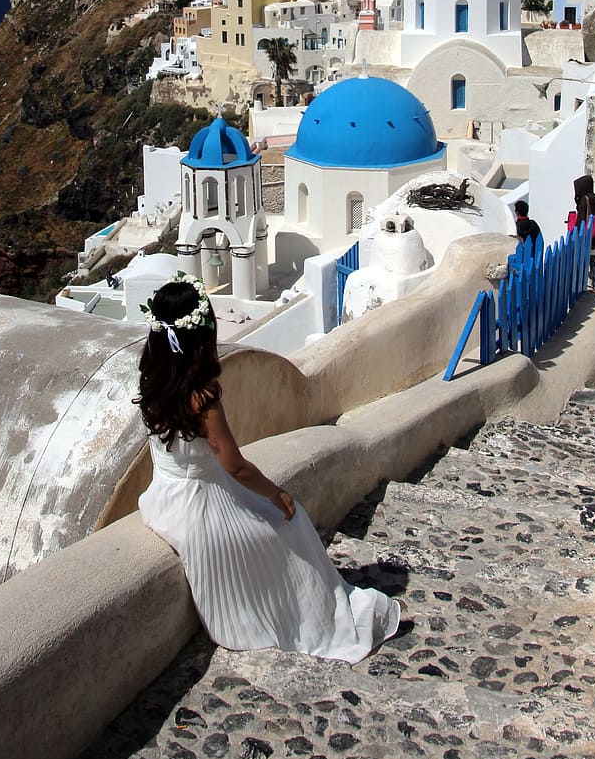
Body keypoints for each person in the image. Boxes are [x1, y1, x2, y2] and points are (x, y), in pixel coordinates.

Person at [135, 272, 401, 663]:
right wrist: (277, 493)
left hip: (164, 499)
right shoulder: (201, 398)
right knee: (290, 525)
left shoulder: (152, 384)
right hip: (201, 507)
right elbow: (235, 465)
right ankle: (310, 615)